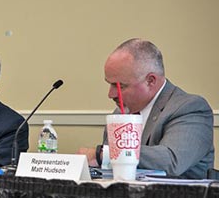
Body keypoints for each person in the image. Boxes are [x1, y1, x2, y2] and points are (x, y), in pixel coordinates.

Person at [78, 38, 214, 178]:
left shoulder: (190, 108)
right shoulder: (120, 113)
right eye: (110, 84)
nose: (111, 94)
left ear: (150, 81)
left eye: (120, 86)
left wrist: (103, 154)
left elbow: (172, 160)